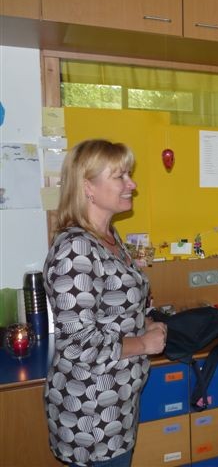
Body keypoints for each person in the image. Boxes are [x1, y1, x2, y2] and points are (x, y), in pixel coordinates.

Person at [42, 139, 167, 467]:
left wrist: (147, 322)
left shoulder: (109, 238)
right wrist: (144, 343)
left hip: (118, 402)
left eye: (129, 175)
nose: (132, 184)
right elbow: (79, 344)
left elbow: (117, 308)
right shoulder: (76, 250)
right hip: (91, 413)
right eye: (120, 176)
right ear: (88, 187)